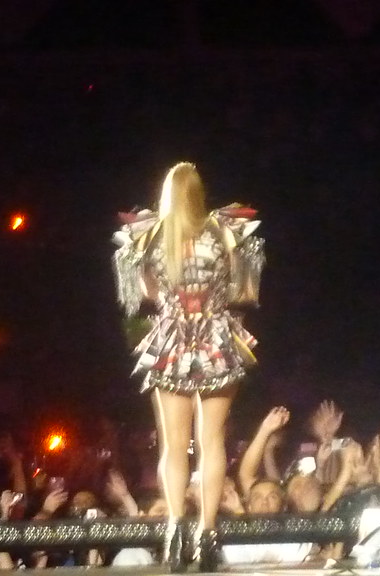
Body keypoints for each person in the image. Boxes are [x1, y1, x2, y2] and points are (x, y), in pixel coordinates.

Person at [112, 161, 265, 571]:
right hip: (217, 336)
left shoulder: (148, 236)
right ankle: (208, 533)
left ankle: (176, 527)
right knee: (212, 440)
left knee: (174, 444)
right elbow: (246, 292)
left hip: (172, 339)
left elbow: (139, 297)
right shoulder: (225, 232)